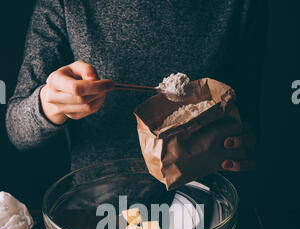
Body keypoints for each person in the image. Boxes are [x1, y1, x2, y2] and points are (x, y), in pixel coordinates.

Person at [6, 0, 268, 174]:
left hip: (206, 208)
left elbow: (250, 111)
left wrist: (247, 142)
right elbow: (16, 129)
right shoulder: (65, 4)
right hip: (98, 209)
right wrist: (49, 103)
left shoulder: (239, 6)